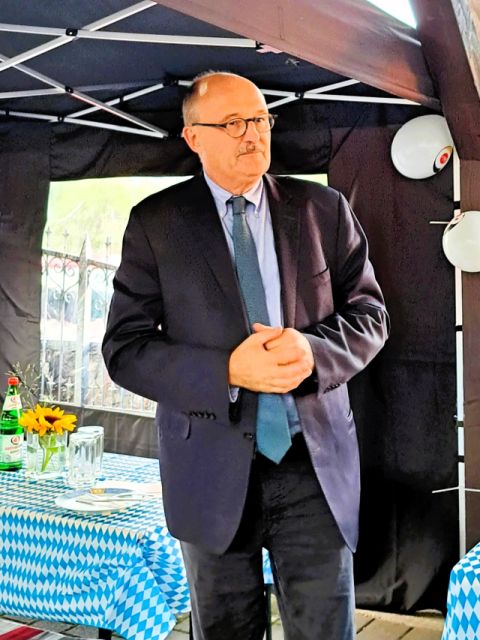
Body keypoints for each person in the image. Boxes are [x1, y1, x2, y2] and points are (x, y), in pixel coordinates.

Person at [102, 71, 389, 640]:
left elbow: (370, 315)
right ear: (193, 137)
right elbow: (125, 348)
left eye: (260, 119)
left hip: (312, 465)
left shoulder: (323, 209)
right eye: (233, 123)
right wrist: (228, 370)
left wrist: (312, 350)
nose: (252, 134)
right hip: (208, 465)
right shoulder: (156, 223)